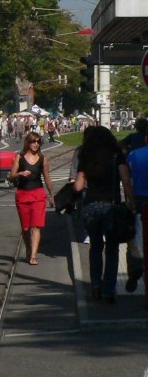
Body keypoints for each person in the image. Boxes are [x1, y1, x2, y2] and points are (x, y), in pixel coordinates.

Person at [73, 125, 135, 303]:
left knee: (95, 246)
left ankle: (95, 286)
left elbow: (78, 186)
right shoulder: (116, 155)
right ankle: (109, 289)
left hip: (91, 205)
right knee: (113, 249)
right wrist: (131, 201)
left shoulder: (86, 157)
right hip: (112, 206)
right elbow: (125, 180)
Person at [9, 131, 55, 265]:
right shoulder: (20, 157)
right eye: (33, 142)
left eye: (38, 142)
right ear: (28, 143)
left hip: (38, 194)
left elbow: (47, 178)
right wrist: (20, 173)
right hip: (22, 195)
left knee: (36, 226)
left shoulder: (43, 159)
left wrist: (52, 195)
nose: (36, 144)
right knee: (25, 228)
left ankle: (33, 256)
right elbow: (11, 176)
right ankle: (29, 249)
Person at [123, 136, 148, 292]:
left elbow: (127, 180)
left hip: (139, 202)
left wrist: (130, 202)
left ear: (146, 139)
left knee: (136, 240)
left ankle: (134, 271)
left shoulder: (134, 155)